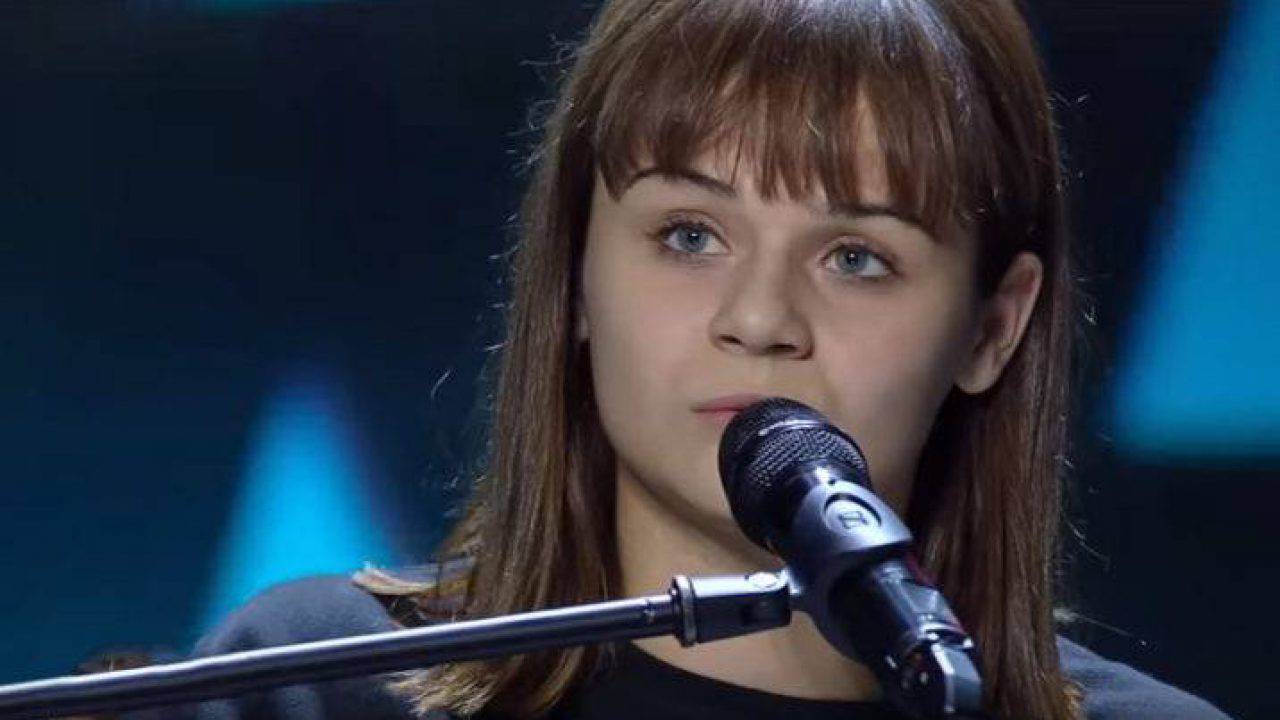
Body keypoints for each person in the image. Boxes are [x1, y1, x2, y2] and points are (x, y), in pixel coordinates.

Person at [93, 0, 1233, 718]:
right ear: (576, 273)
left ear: (993, 327)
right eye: (689, 236)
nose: (759, 319)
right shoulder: (312, 683)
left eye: (855, 257)